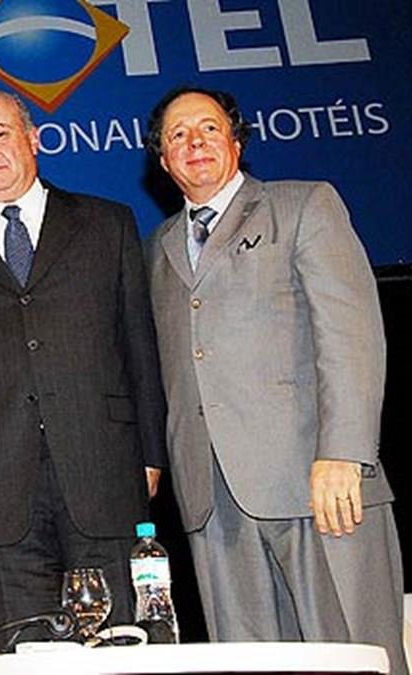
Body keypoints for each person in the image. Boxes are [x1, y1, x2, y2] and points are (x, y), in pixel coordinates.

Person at [146, 86, 407, 673]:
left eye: (208, 128)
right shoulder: (156, 248)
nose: (194, 142)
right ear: (163, 161)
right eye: (178, 136)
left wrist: (344, 452)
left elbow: (352, 334)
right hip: (213, 504)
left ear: (236, 142)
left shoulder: (304, 205)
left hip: (318, 484)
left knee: (354, 654)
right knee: (252, 663)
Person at [0, 90, 167, 654]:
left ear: (33, 139)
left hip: (104, 473)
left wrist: (150, 453)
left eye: (0, 134)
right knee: (14, 657)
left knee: (122, 652)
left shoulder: (107, 224)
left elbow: (139, 345)